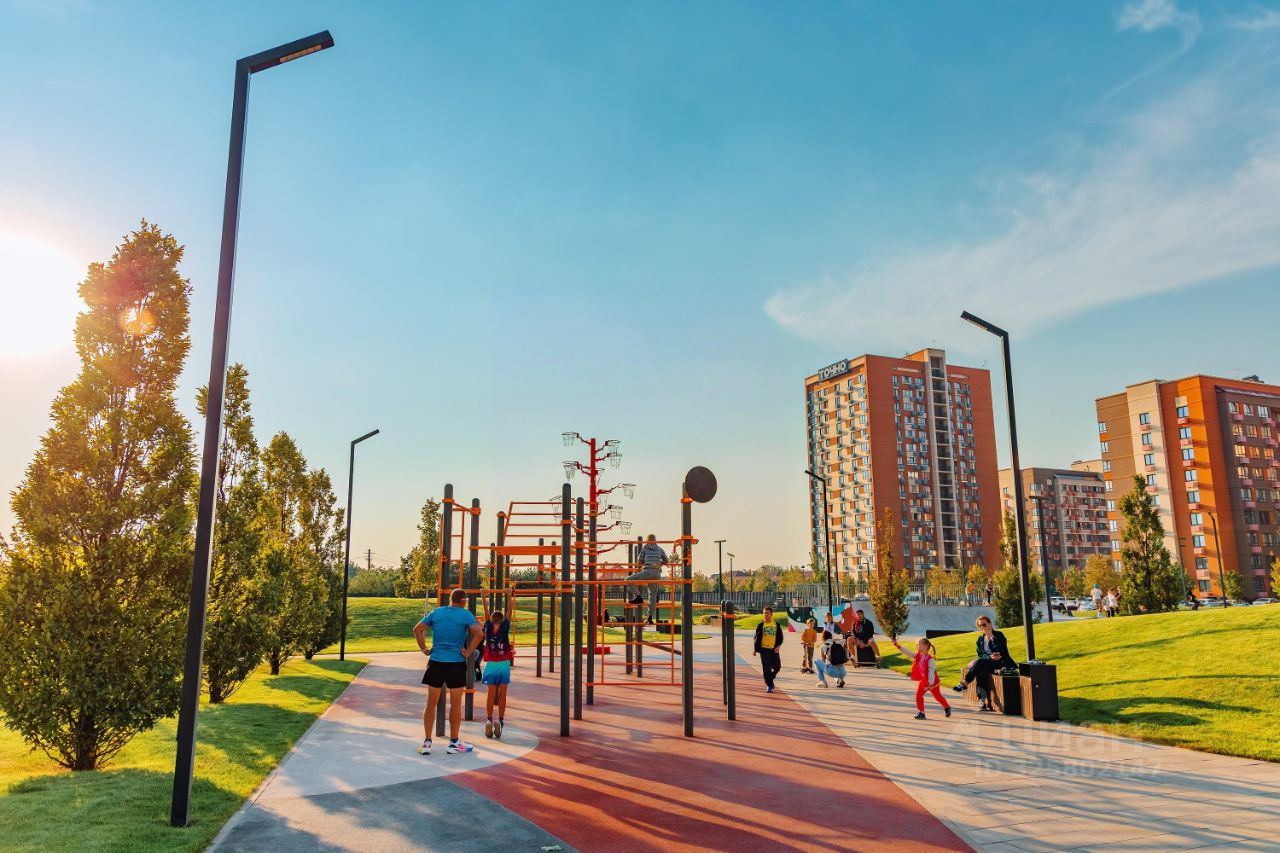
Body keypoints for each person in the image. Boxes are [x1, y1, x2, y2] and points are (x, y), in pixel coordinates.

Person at [415, 588, 484, 755]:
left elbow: (417, 629)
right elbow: (479, 634)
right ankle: (453, 743)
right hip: (456, 663)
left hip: (436, 662)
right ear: (463, 601)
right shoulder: (466, 614)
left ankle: (427, 743)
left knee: (431, 703)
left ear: (451, 599)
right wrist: (468, 653)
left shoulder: (437, 612)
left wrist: (424, 648)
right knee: (455, 704)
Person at [952, 616, 1017, 694]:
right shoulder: (980, 639)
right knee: (981, 671)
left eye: (984, 624)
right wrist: (989, 657)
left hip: (1001, 662)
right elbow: (980, 655)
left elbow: (1001, 650)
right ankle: (981, 697)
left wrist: (992, 636)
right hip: (988, 662)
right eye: (980, 626)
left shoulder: (999, 635)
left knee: (979, 663)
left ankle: (964, 683)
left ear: (990, 624)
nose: (982, 627)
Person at [894, 637, 952, 719]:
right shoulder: (918, 656)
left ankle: (947, 707)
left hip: (933, 682)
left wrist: (931, 684)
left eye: (919, 644)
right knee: (918, 695)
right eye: (917, 644)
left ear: (926, 646)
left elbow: (931, 673)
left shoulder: (930, 660)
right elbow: (908, 652)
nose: (917, 646)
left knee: (937, 696)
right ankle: (921, 712)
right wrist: (897, 645)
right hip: (924, 681)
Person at [481, 609, 514, 739]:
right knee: (502, 694)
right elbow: (510, 611)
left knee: (491, 694)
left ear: (491, 619)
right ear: (502, 620)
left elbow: (485, 611)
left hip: (491, 664)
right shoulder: (504, 628)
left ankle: (489, 719)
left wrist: (484, 598)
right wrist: (510, 598)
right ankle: (500, 720)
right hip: (504, 664)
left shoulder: (488, 628)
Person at [626, 534, 668, 624]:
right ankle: (650, 617)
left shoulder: (645, 548)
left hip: (648, 571)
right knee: (652, 595)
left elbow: (639, 561)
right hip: (657, 573)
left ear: (647, 541)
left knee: (628, 580)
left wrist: (646, 562)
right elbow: (666, 560)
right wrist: (659, 562)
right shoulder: (659, 549)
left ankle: (638, 596)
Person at [753, 606, 784, 693]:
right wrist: (755, 649)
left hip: (774, 649)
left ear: (771, 614)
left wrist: (778, 646)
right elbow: (756, 638)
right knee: (766, 669)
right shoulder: (761, 625)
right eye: (764, 613)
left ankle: (770, 678)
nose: (765, 615)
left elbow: (780, 637)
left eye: (767, 613)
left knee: (777, 667)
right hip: (764, 650)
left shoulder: (776, 625)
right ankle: (769, 685)